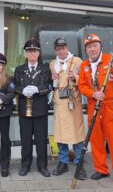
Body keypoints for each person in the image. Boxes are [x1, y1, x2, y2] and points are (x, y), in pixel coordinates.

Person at [78, 34, 113, 188]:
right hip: (93, 106)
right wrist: (92, 93)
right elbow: (81, 85)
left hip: (110, 107)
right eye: (89, 47)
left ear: (100, 46)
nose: (92, 49)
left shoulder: (110, 60)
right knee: (96, 140)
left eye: (94, 46)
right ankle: (101, 169)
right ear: (86, 49)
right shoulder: (84, 65)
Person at [14, 39, 52, 177]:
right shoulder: (19, 70)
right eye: (29, 51)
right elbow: (15, 86)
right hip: (24, 110)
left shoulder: (45, 69)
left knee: (41, 140)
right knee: (26, 140)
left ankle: (42, 166)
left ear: (38, 53)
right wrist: (21, 91)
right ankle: (25, 165)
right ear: (25, 54)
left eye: (34, 51)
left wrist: (37, 89)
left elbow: (49, 86)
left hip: (40, 110)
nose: (32, 53)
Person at [50, 37, 86, 179]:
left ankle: (79, 163)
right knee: (60, 133)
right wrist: (52, 79)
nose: (61, 51)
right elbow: (52, 84)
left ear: (67, 48)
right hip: (59, 102)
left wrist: (75, 76)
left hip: (73, 102)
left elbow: (85, 80)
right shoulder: (53, 64)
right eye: (58, 49)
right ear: (55, 50)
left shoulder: (77, 61)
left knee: (77, 133)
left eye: (63, 48)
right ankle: (63, 162)